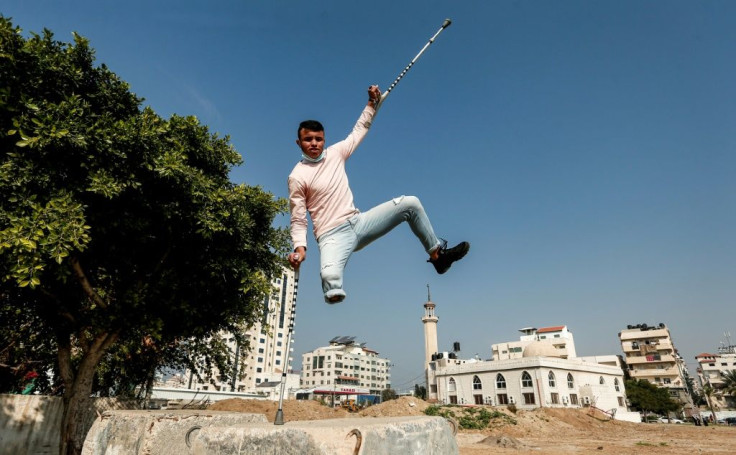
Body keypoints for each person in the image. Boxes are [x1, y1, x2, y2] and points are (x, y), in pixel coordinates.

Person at [287, 84, 469, 303]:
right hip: (331, 237)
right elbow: (298, 218)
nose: (314, 144)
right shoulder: (297, 176)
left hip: (360, 222)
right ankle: (333, 292)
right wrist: (300, 249)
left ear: (324, 139)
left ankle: (438, 256)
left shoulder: (335, 154)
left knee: (410, 203)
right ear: (299, 143)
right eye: (308, 140)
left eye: (318, 139)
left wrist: (372, 103)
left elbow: (360, 129)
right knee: (330, 278)